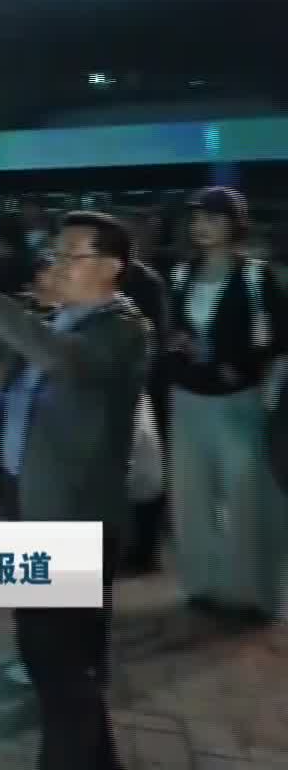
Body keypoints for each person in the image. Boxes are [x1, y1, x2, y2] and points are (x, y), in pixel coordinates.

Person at [0, 212, 150, 770]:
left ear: (111, 266)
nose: (58, 265)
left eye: (71, 255)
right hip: (32, 507)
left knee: (60, 661)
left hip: (74, 519)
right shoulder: (59, 322)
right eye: (55, 254)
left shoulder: (122, 330)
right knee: (50, 653)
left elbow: (62, 361)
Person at [166, 187, 285, 623]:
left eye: (213, 218)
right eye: (198, 218)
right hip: (187, 397)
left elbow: (276, 338)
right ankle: (203, 584)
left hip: (238, 399)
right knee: (191, 495)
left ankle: (253, 592)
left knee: (247, 496)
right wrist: (178, 346)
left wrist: (231, 362)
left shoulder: (254, 276)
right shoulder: (181, 274)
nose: (202, 226)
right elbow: (170, 329)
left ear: (235, 224)